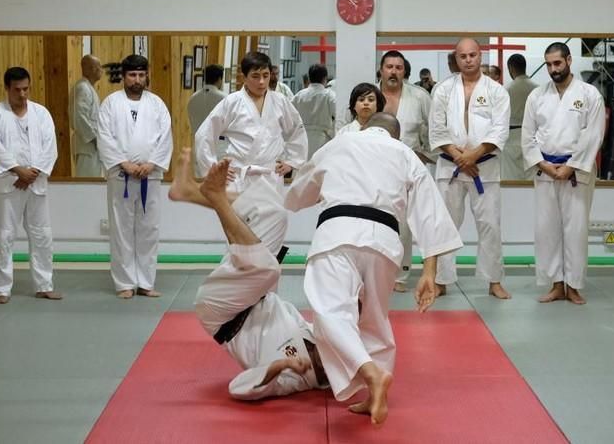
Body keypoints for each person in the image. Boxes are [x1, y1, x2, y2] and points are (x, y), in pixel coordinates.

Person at [285, 113, 463, 426]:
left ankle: (371, 373)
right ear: (395, 136)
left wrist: (294, 195)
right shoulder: (405, 153)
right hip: (384, 241)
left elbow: (299, 193)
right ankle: (373, 394)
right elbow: (428, 213)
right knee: (375, 320)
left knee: (330, 311)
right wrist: (428, 273)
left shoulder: (340, 143)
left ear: (365, 128)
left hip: (338, 233)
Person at [168, 148, 329, 399]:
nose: (332, 348)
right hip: (251, 292)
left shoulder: (294, 378)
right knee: (273, 213)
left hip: (224, 313)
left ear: (326, 373)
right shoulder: (316, 336)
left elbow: (239, 389)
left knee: (267, 269)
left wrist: (281, 365)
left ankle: (216, 197)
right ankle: (189, 191)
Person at [521, 42, 605, 305]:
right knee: (547, 229)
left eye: (557, 63)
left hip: (576, 173)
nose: (553, 69)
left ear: (569, 60)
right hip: (545, 170)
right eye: (548, 64)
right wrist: (541, 163)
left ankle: (575, 285)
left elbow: (594, 134)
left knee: (576, 229)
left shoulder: (590, 95)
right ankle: (556, 284)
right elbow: (527, 135)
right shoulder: (537, 96)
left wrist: (572, 165)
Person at [429, 38, 511, 299]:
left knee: (490, 225)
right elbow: (437, 129)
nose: (468, 60)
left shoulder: (497, 91)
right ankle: (441, 279)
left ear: (480, 56)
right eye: (462, 56)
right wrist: (460, 158)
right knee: (445, 224)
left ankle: (493, 280)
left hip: (483, 167)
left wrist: (473, 156)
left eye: (472, 55)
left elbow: (500, 130)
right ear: (456, 58)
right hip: (449, 166)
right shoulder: (442, 89)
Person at [97, 54, 173, 299]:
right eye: (132, 75)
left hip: (149, 176)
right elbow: (105, 137)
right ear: (124, 76)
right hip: (121, 175)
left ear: (146, 75)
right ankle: (124, 283)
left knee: (149, 229)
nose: (137, 80)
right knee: (121, 229)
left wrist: (152, 164)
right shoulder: (110, 103)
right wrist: (125, 163)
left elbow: (165, 137)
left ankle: (146, 282)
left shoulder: (157, 104)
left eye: (141, 75)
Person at [0, 67, 60, 304]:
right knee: (6, 235)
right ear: (7, 88)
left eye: (26, 89)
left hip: (36, 183)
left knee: (42, 235)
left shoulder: (41, 113)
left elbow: (50, 146)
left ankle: (44, 285)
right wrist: (18, 171)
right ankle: (2, 288)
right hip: (9, 184)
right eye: (17, 90)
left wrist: (31, 174)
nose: (22, 94)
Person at [195, 52, 307, 196]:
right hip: (239, 177)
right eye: (255, 76)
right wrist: (213, 167)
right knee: (235, 218)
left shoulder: (280, 101)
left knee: (273, 218)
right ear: (244, 77)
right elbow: (204, 134)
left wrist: (292, 161)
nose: (261, 82)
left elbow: (297, 130)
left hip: (270, 177)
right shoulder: (232, 102)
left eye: (265, 76)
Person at [378, 50, 434, 293]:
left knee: (404, 224)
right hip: (374, 165)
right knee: (374, 218)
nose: (393, 71)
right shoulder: (369, 94)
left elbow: (434, 131)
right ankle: (373, 273)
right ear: (381, 69)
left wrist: (424, 155)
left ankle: (400, 275)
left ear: (405, 71)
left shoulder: (419, 97)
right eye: (389, 66)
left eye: (398, 68)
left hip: (408, 165)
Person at [187, 64, 228, 177]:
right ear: (220, 79)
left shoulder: (193, 98)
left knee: (201, 185)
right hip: (220, 147)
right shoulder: (225, 99)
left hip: (198, 145)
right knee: (220, 186)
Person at [502, 54, 537, 180]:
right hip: (533, 136)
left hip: (511, 138)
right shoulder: (537, 89)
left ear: (511, 68)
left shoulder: (507, 89)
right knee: (531, 178)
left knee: (510, 178)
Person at [292, 64, 336, 159]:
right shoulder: (329, 95)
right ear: (325, 78)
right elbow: (338, 115)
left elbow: (290, 117)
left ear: (309, 78)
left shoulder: (299, 95)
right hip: (322, 139)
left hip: (301, 137)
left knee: (302, 169)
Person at [70, 55, 103, 177]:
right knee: (87, 184)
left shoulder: (88, 88)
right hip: (87, 146)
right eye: (97, 67)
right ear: (87, 69)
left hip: (91, 147)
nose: (101, 70)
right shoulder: (83, 88)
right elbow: (78, 116)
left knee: (94, 184)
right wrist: (94, 138)